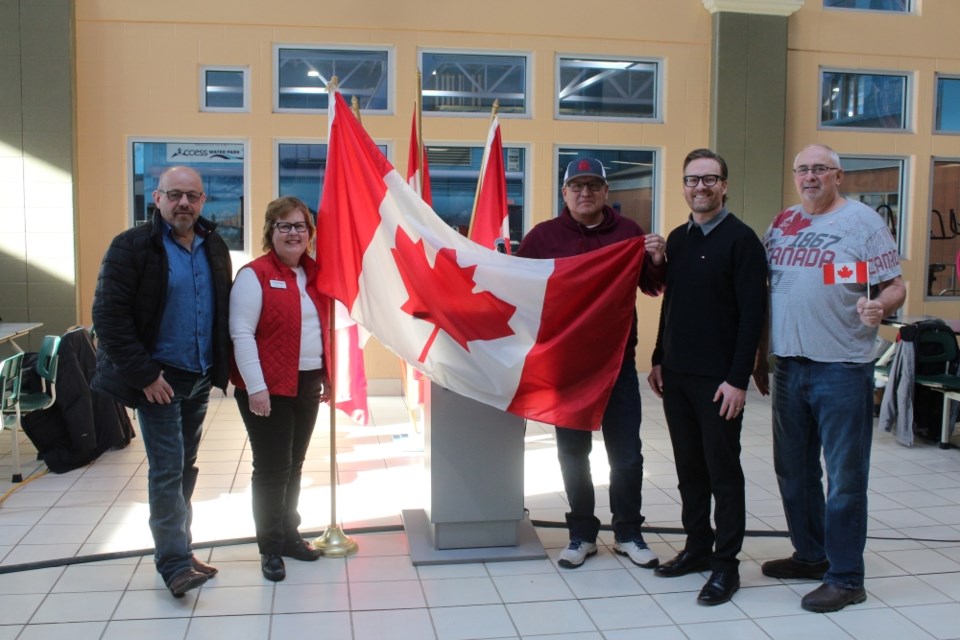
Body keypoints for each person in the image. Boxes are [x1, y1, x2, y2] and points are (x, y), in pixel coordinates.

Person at [754, 144, 905, 613]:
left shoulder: (862, 223)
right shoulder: (781, 224)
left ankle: (846, 577)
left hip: (841, 367)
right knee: (794, 472)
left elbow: (894, 284)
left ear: (838, 175)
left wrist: (883, 306)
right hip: (790, 366)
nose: (810, 176)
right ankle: (811, 555)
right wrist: (762, 354)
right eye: (802, 169)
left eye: (820, 169)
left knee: (844, 477)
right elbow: (767, 292)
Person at [517, 157, 666, 570]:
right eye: (577, 186)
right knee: (572, 453)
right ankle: (582, 533)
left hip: (617, 362)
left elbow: (653, 288)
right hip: (567, 367)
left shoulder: (628, 233)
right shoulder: (543, 237)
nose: (586, 193)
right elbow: (518, 288)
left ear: (606, 193)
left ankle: (628, 533)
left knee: (627, 454)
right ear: (565, 193)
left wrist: (655, 259)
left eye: (594, 186)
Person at [92, 166, 232, 598]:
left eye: (191, 196)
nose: (183, 203)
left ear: (203, 200)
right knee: (167, 469)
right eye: (174, 195)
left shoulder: (214, 245)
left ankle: (182, 549)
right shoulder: (132, 247)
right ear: (157, 198)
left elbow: (221, 311)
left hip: (197, 377)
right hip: (158, 380)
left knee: (185, 467)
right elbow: (109, 319)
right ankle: (172, 563)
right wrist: (146, 375)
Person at [647, 149, 767, 606]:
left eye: (710, 179)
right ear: (683, 186)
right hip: (677, 376)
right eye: (692, 179)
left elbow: (751, 316)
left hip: (719, 382)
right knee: (688, 470)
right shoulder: (677, 239)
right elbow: (670, 305)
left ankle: (725, 565)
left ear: (725, 186)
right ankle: (696, 547)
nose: (701, 187)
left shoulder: (742, 241)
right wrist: (659, 356)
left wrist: (737, 379)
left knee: (723, 472)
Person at [229, 196, 330, 582]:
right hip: (266, 387)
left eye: (300, 226)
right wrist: (256, 387)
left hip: (306, 382)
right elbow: (241, 333)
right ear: (270, 232)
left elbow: (325, 329)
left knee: (295, 465)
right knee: (272, 469)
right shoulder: (253, 275)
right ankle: (270, 548)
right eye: (284, 226)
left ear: (310, 233)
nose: (293, 233)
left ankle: (289, 535)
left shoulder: (316, 274)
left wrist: (329, 377)